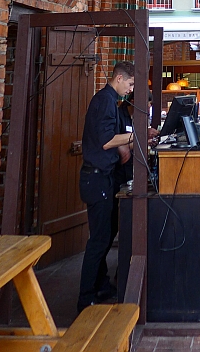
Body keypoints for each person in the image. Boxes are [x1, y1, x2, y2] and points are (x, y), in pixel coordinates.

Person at [77, 61, 136, 312]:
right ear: (119, 78)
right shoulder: (104, 101)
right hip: (97, 178)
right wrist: (136, 137)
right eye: (130, 84)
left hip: (104, 177)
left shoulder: (111, 101)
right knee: (99, 240)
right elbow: (106, 140)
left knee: (106, 234)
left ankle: (100, 284)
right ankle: (85, 297)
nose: (131, 89)